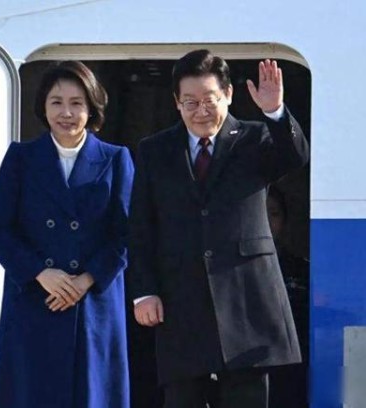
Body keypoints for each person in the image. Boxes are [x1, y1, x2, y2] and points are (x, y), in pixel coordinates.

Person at [128, 49, 309, 408]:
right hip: (181, 303)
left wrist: (275, 111)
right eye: (190, 102)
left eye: (209, 100)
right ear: (177, 103)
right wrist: (144, 291)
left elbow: (295, 156)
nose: (201, 111)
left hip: (247, 302)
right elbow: (141, 226)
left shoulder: (255, 138)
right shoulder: (155, 150)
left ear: (227, 94)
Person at [0, 61, 134, 408]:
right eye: (57, 102)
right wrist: (40, 272)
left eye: (76, 103)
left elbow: (128, 233)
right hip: (34, 300)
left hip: (92, 304)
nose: (66, 113)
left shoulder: (115, 159)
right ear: (44, 106)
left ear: (91, 107)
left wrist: (85, 280)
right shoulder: (20, 158)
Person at [266, 185, 310, 407]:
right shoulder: (226, 273)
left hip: (294, 368)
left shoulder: (304, 270)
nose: (266, 221)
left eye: (273, 214)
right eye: (259, 213)